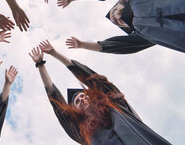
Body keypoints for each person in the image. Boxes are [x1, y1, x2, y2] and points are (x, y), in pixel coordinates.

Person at [28, 40, 171, 145]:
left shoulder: (116, 105)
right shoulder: (83, 133)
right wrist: (40, 65)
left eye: (84, 96)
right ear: (76, 110)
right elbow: (57, 105)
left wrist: (55, 53)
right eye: (77, 101)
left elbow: (92, 79)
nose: (82, 99)